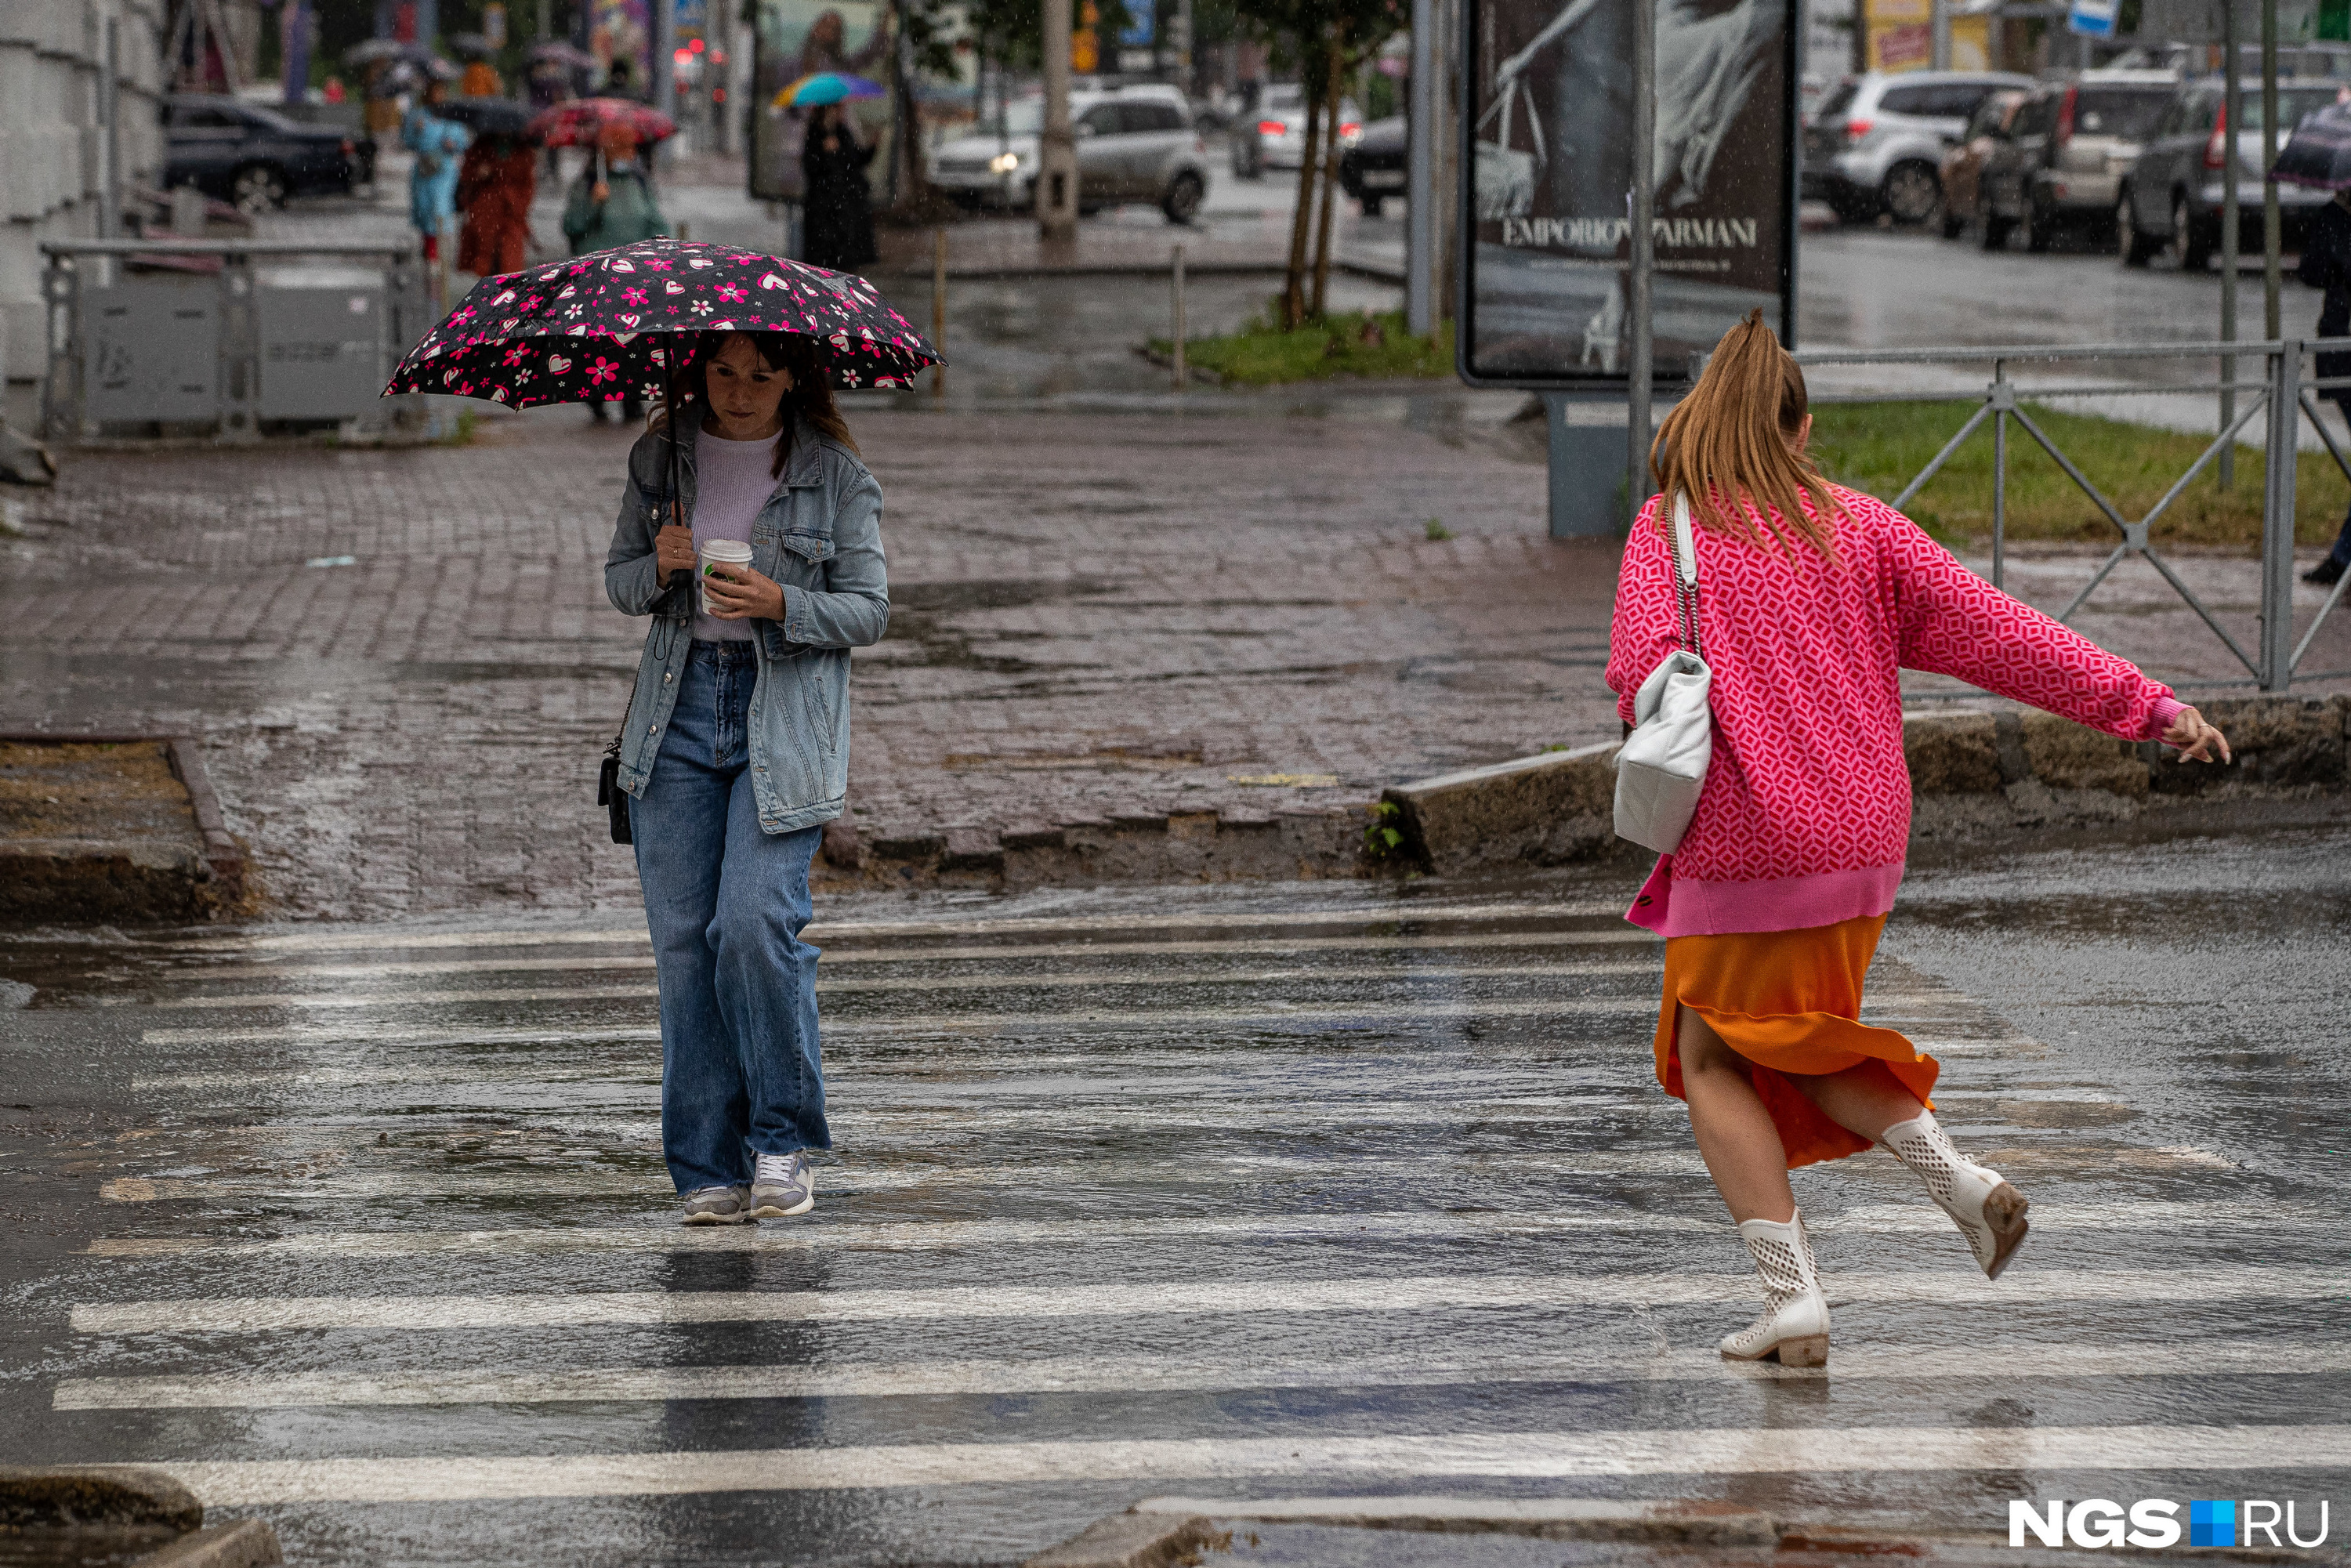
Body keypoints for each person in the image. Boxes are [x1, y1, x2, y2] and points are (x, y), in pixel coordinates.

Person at [1604, 312, 2231, 1368]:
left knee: (1708, 1051)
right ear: (1800, 431)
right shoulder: (1865, 529)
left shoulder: (1665, 532)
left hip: (1748, 837)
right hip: (1863, 836)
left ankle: (1811, 1285)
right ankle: (1954, 1196)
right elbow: (2003, 631)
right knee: (1789, 1039)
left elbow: (1641, 677)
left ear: (1706, 423)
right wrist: (2149, 706)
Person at [602, 331, 889, 1225]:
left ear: (795, 376)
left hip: (781, 720)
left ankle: (781, 1141)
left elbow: (870, 609)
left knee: (755, 924)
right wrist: (659, 567)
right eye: (722, 371)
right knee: (687, 948)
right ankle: (705, 1169)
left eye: (761, 373)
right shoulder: (663, 457)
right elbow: (618, 582)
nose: (739, 391)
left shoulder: (835, 475)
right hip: (677, 716)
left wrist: (782, 603)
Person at [563, 121, 669, 421]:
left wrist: (665, 249)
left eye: (631, 147)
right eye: (622, 147)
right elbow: (571, 227)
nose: (629, 153)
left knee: (633, 337)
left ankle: (632, 398)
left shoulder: (639, 182)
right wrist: (592, 204)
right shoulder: (587, 184)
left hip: (635, 275)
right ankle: (596, 394)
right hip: (597, 275)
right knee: (600, 339)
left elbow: (655, 221)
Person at [2296, 186, 2351, 586]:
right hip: (2342, 350)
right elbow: (2310, 272)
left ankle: (2342, 557)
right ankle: (2343, 556)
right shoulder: (2333, 218)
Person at [400, 78, 471, 267]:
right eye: (435, 91)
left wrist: (453, 145)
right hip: (424, 170)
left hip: (444, 170)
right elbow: (408, 141)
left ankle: (440, 254)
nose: (438, 95)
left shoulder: (453, 116)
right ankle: (429, 252)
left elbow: (463, 143)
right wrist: (416, 131)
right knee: (424, 210)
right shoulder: (418, 115)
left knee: (440, 209)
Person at [799, 103, 876, 272]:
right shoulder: (815, 134)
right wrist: (825, 152)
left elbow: (855, 160)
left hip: (844, 207)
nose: (841, 112)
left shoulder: (842, 132)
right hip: (823, 209)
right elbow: (811, 168)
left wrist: (872, 147)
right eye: (837, 108)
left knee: (846, 262)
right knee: (822, 262)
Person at [457, 128, 537, 278]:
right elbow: (466, 179)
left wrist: (517, 205)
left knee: (509, 270)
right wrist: (479, 174)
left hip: (510, 216)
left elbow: (528, 187)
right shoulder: (480, 148)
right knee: (481, 267)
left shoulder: (523, 152)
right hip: (484, 215)